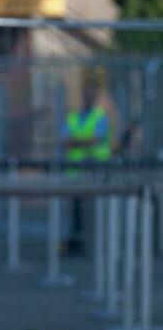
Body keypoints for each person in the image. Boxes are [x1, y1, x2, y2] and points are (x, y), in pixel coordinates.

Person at [62, 76, 111, 254]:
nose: (88, 95)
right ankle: (77, 246)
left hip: (95, 173)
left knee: (95, 212)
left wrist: (77, 141)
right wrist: (86, 142)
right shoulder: (73, 117)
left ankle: (95, 246)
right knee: (75, 213)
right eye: (85, 92)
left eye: (92, 92)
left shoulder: (100, 117)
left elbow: (96, 140)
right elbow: (67, 142)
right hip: (75, 174)